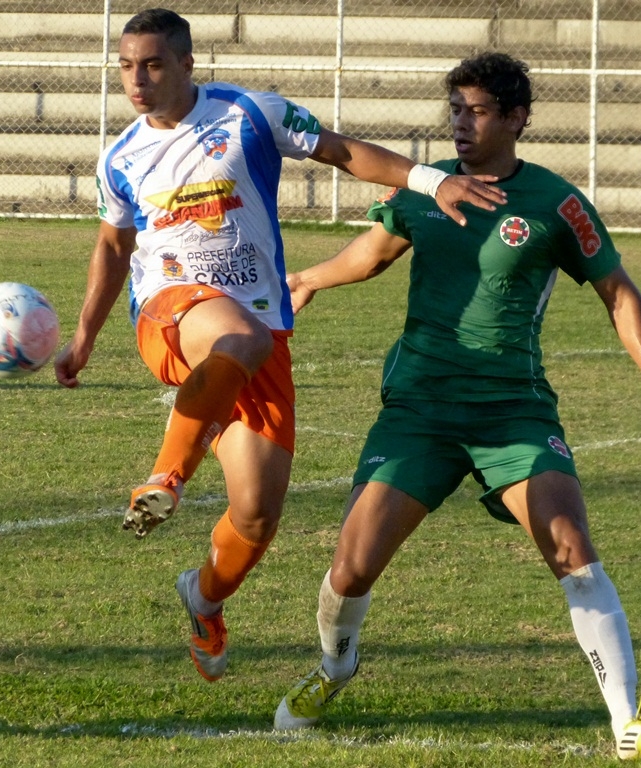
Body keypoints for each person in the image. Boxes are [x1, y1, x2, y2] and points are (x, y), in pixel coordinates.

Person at [53, 8, 505, 684]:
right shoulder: (120, 156)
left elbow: (342, 150)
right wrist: (84, 336)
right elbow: (114, 246)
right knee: (236, 335)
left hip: (258, 336)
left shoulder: (250, 114)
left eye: (150, 64)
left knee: (257, 516)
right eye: (125, 66)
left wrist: (429, 180)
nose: (136, 80)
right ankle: (166, 475)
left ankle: (203, 599)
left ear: (185, 65)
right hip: (171, 312)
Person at [272, 52, 641, 760]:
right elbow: (374, 253)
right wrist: (311, 278)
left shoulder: (556, 204)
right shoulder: (426, 188)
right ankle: (335, 665)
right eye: (455, 111)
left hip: (513, 411)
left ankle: (629, 722)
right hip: (419, 410)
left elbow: (617, 290)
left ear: (516, 118)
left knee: (573, 551)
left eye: (475, 111)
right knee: (350, 568)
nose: (460, 124)